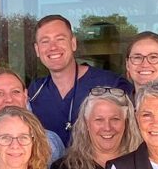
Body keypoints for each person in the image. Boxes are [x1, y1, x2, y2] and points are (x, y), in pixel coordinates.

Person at [29, 15, 131, 146]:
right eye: (45, 41)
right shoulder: (34, 92)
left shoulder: (111, 84)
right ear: (37, 50)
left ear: (73, 43)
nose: (53, 47)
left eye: (60, 39)